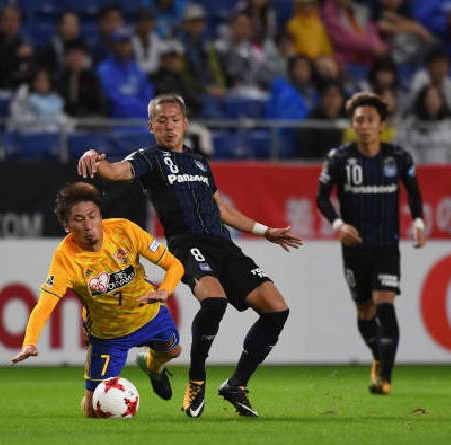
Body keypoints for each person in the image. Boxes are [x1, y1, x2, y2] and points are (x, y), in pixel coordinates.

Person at [77, 94, 302, 418]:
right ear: (151, 126)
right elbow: (115, 172)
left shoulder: (199, 163)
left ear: (185, 123)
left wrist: (265, 230)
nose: (168, 126)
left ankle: (237, 384)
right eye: (161, 121)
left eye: (174, 119)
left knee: (276, 308)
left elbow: (221, 209)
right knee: (214, 300)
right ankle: (196, 380)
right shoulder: (149, 158)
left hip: (223, 244)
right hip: (186, 243)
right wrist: (94, 158)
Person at [11, 182, 184, 417]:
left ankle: (153, 367)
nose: (88, 225)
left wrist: (165, 290)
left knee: (174, 351)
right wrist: (29, 342)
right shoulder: (66, 258)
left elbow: (174, 264)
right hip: (107, 335)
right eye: (79, 219)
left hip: (149, 317)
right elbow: (45, 304)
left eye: (92, 216)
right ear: (66, 225)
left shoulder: (125, 230)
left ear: (100, 215)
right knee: (91, 412)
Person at [316, 91, 426, 395]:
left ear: (381, 125)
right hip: (354, 248)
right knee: (365, 311)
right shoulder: (339, 158)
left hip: (386, 247)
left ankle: (384, 378)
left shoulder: (399, 158)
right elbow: (321, 198)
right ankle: (378, 354)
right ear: (353, 124)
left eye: (370, 120)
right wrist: (339, 224)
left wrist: (418, 223)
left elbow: (414, 194)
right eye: (359, 120)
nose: (364, 125)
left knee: (385, 305)